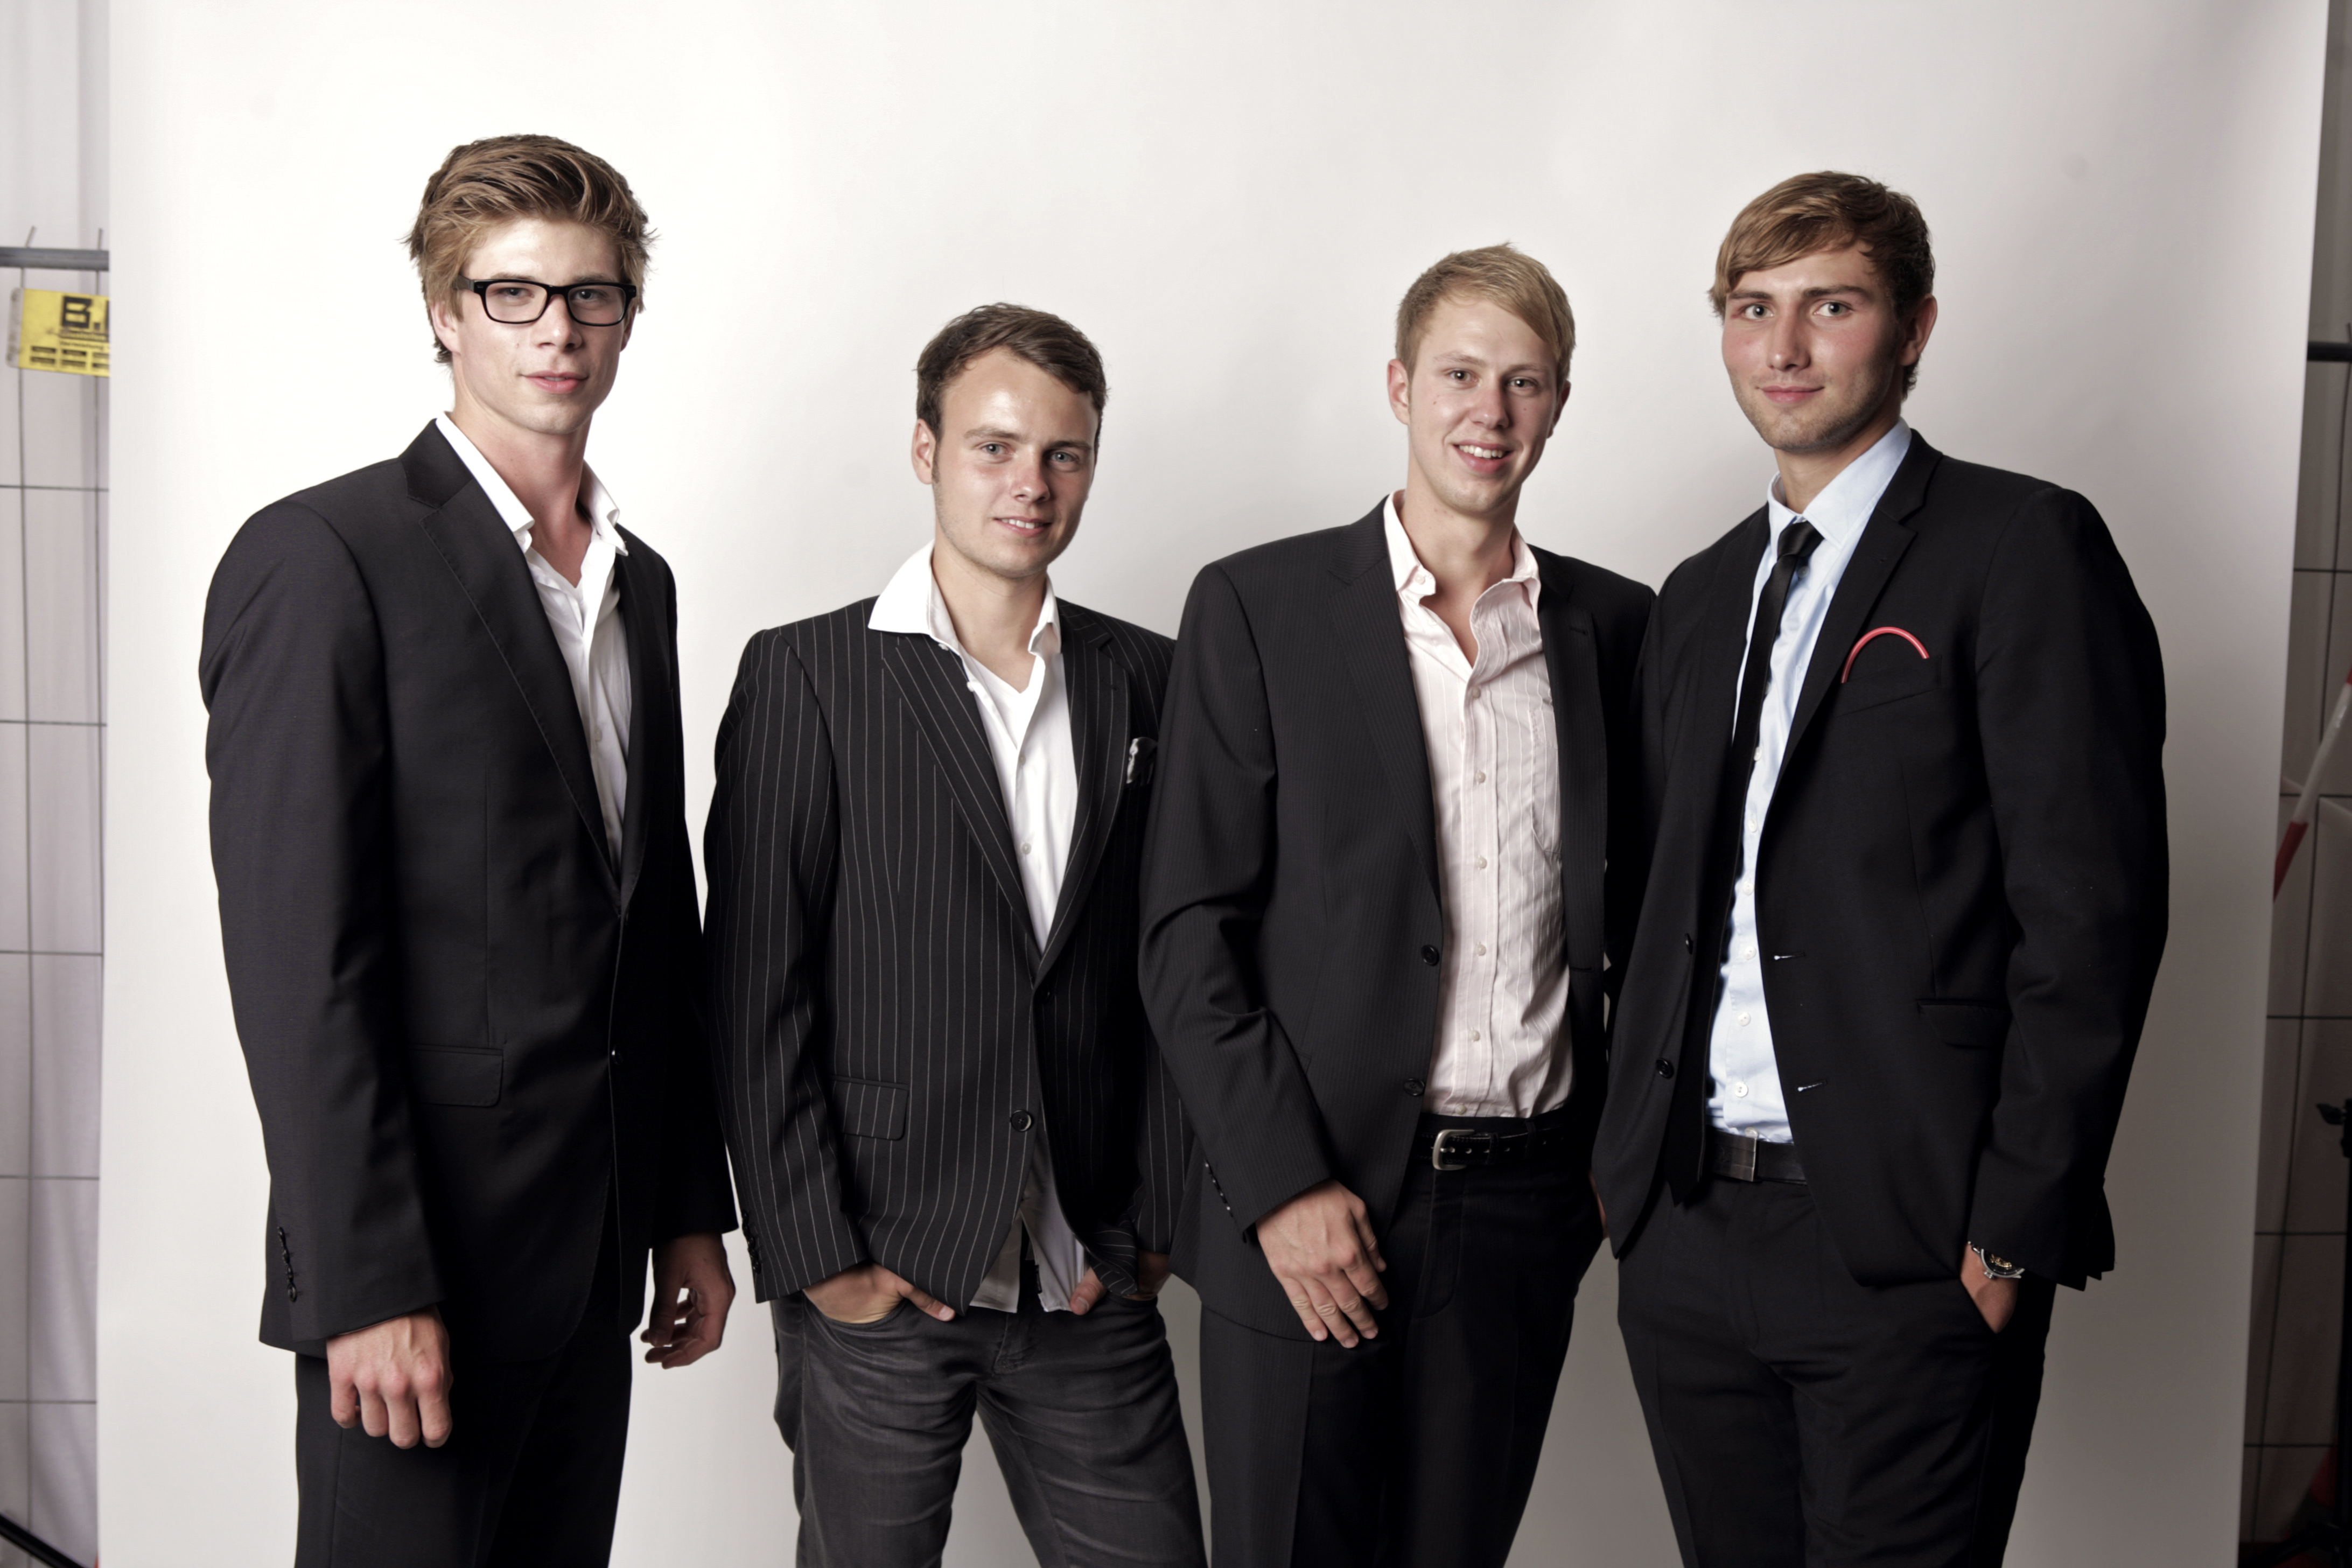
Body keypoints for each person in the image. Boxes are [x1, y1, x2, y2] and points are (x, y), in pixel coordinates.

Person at [1593, 171, 2169, 1566]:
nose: (1784, 347)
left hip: (1909, 1240)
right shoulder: (1700, 594)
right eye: (1752, 309)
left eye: (1831, 306)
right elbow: (1661, 905)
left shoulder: (2020, 546)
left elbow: (2090, 914)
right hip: (1688, 1233)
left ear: (1913, 328)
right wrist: (1630, 1182)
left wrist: (2012, 1229)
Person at [199, 134, 737, 1566]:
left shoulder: (640, 585)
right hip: (419, 1273)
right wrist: (365, 1280)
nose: (558, 329)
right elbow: (299, 963)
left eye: (592, 294)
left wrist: (686, 1207)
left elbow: (655, 925)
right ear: (444, 311)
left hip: (595, 1254)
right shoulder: (326, 557)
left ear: (628, 315)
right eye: (513, 294)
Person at [1139, 246, 1653, 1567]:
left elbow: (1653, 919)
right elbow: (1188, 933)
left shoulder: (1618, 628)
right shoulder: (1257, 606)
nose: (1492, 410)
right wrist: (1282, 1187)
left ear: (1560, 403)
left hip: (1526, 1210)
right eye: (1461, 374)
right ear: (1399, 386)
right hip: (1311, 1206)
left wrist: (1616, 1163)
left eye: (1525, 381)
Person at [704, 303, 1204, 1566]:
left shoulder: (1153, 680)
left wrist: (1151, 1224)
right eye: (994, 447)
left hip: (1086, 1271)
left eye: (1064, 454)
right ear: (926, 449)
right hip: (880, 1272)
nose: (1031, 483)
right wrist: (820, 1260)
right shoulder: (808, 676)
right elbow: (757, 992)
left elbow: (1179, 966)